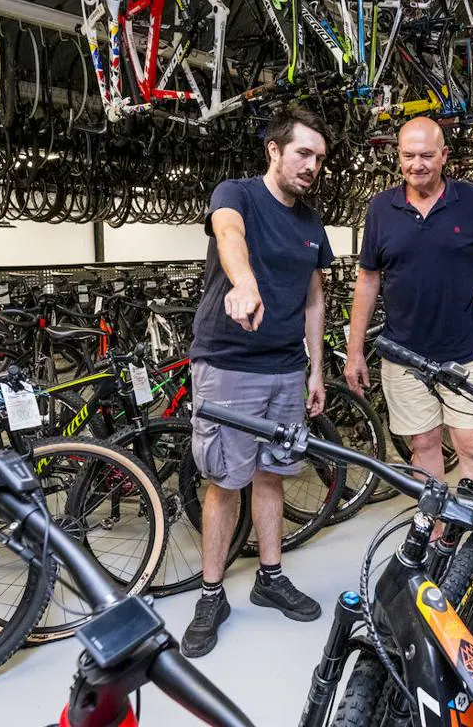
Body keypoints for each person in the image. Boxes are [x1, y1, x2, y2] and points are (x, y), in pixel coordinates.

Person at [182, 107, 333, 658]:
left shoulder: (311, 222)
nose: (312, 165)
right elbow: (229, 237)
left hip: (287, 368)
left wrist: (316, 368)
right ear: (274, 150)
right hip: (228, 362)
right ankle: (211, 593)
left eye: (319, 158)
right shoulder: (237, 194)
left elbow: (315, 298)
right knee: (224, 481)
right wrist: (244, 284)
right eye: (302, 154)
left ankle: (270, 578)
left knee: (274, 473)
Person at [344, 116, 473, 487]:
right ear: (398, 157)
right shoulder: (381, 209)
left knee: (471, 445)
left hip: (466, 350)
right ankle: (436, 534)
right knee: (422, 445)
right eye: (408, 156)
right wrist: (355, 350)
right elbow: (368, 279)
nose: (417, 165)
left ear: (444, 156)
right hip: (403, 354)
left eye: (426, 155)